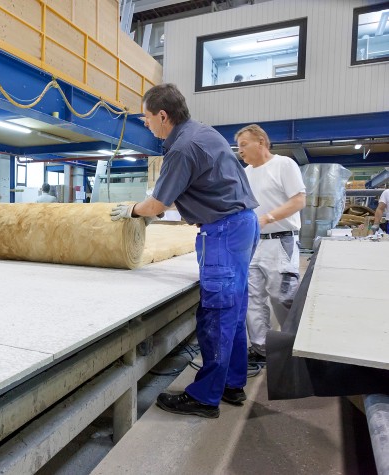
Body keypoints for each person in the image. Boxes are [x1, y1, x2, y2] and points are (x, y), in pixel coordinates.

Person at [110, 83, 260, 418]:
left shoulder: (181, 147)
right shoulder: (204, 133)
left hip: (221, 231)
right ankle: (232, 384)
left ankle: (206, 397)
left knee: (216, 313)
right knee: (233, 309)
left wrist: (135, 210)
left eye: (148, 118)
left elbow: (158, 203)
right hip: (243, 225)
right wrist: (155, 206)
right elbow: (190, 189)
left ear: (163, 115)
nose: (147, 125)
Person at [235, 124, 306, 365]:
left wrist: (267, 218)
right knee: (252, 298)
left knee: (282, 297)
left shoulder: (284, 165)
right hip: (253, 244)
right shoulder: (245, 173)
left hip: (280, 241)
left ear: (262, 142)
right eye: (238, 146)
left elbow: (299, 201)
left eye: (244, 145)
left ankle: (294, 350)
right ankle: (261, 348)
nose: (240, 150)